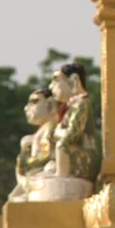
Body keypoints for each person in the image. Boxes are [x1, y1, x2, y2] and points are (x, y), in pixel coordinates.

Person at [48, 63, 100, 196]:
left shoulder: (82, 103)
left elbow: (73, 134)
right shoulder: (71, 106)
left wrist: (58, 133)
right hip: (72, 155)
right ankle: (60, 173)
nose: (50, 87)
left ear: (73, 81)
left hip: (84, 160)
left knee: (62, 145)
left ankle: (62, 174)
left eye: (56, 81)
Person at [8, 88, 58, 202]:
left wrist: (27, 161)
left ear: (50, 104)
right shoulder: (39, 133)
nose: (27, 108)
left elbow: (48, 155)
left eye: (34, 102)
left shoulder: (51, 129)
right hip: (32, 177)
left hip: (44, 173)